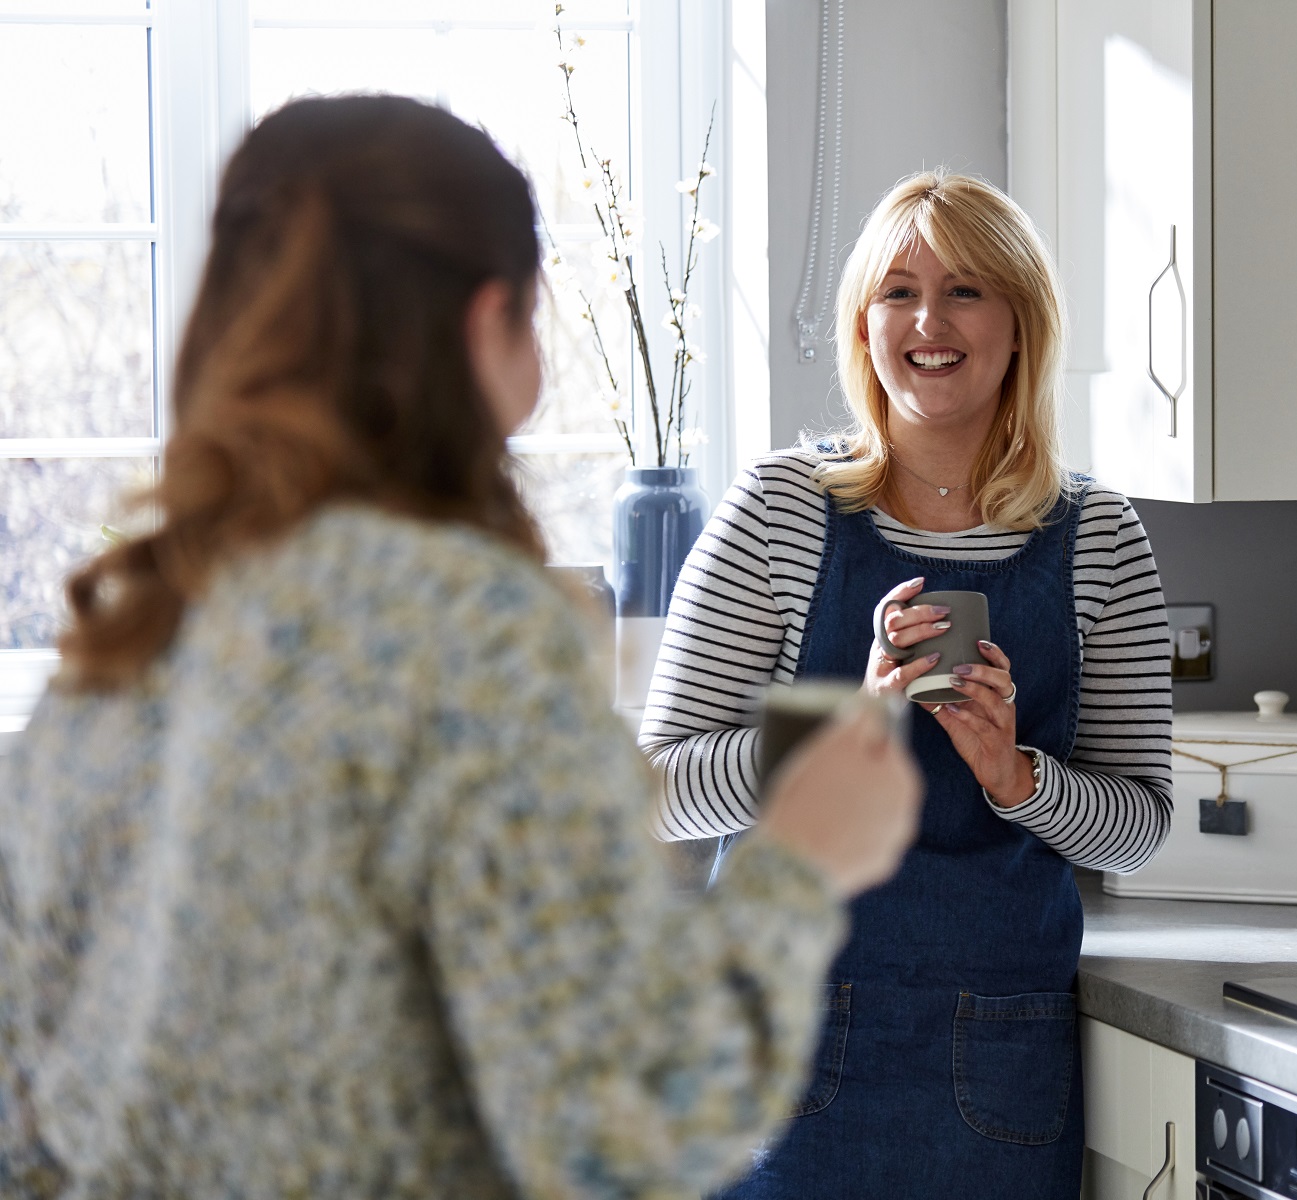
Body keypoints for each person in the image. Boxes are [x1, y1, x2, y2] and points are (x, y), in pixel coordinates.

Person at [0, 95, 921, 1200]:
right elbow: (623, 1127)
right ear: (490, 322)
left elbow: (28, 1120)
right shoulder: (472, 634)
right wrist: (803, 860)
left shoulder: (123, 638)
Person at [640, 170, 1175, 1197]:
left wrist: (1017, 778)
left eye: (968, 289)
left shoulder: (1101, 539)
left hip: (1000, 1061)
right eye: (898, 291)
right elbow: (662, 790)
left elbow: (1140, 828)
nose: (930, 321)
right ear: (863, 325)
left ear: (1022, 323)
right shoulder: (781, 511)